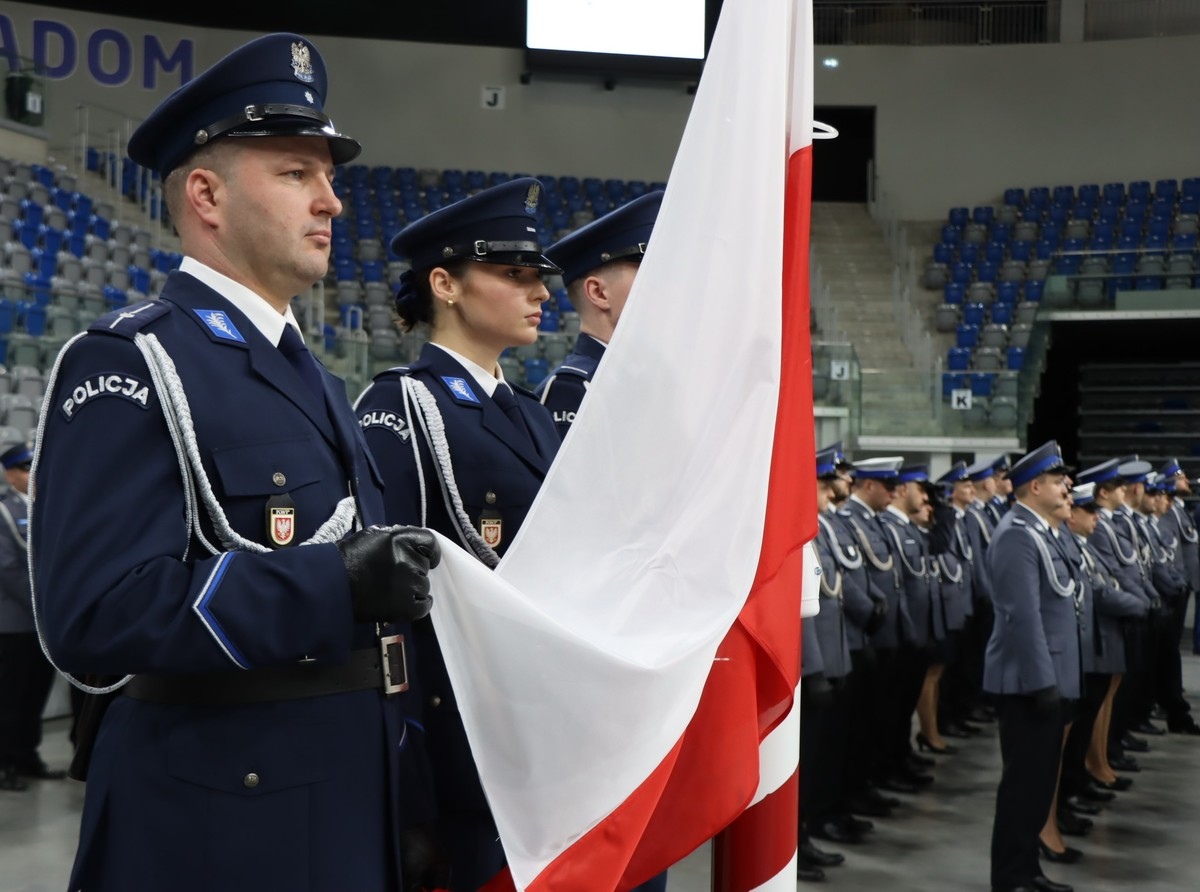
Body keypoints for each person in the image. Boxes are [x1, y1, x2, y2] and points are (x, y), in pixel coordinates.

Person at [31, 34, 441, 892]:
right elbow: (94, 617)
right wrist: (333, 583)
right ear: (207, 195)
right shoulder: (130, 362)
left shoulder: (320, 378)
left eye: (330, 178)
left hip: (344, 803)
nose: (331, 201)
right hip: (219, 826)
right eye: (296, 173)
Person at [355, 178, 562, 891]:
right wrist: (407, 775)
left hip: (536, 716)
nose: (540, 293)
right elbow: (390, 603)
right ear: (444, 282)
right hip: (457, 732)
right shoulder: (401, 407)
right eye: (515, 275)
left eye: (539, 278)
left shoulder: (533, 416)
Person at [984, 441, 1080, 892]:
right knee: (1022, 787)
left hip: (1047, 679)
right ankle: (1010, 877)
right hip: (1026, 683)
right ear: (1034, 485)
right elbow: (1022, 616)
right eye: (1059, 480)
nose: (1067, 487)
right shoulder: (1017, 535)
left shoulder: (1045, 531)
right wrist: (1045, 684)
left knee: (1038, 786)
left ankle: (1027, 871)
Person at [537, 191, 663, 439]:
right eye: (647, 272)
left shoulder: (650, 380)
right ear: (598, 293)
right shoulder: (572, 389)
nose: (661, 286)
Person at [0, 443, 63, 791]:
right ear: (10, 474)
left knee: (35, 693)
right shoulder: (4, 511)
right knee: (11, 696)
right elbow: (8, 568)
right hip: (16, 621)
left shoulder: (43, 508)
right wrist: (43, 605)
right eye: (24, 469)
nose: (31, 475)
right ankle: (6, 761)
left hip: (40, 622)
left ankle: (27, 755)